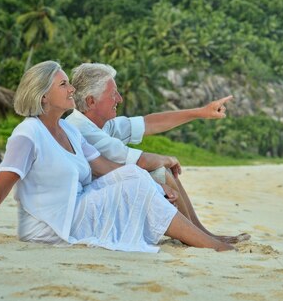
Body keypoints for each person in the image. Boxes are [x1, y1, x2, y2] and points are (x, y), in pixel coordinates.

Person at [0, 61, 233, 252]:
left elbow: (106, 166)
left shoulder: (69, 129)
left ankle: (205, 239)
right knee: (139, 181)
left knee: (136, 178)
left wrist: (155, 185)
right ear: (43, 97)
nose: (71, 89)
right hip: (54, 225)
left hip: (77, 209)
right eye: (63, 84)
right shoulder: (28, 135)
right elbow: (0, 188)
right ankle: (211, 244)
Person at [66, 63, 249, 244]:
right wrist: (167, 159)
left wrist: (201, 112)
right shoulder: (81, 128)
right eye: (113, 94)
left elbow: (149, 123)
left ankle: (202, 233)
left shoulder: (97, 122)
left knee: (162, 171)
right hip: (86, 207)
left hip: (102, 190)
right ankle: (197, 237)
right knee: (161, 172)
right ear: (91, 101)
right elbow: (140, 162)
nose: (119, 99)